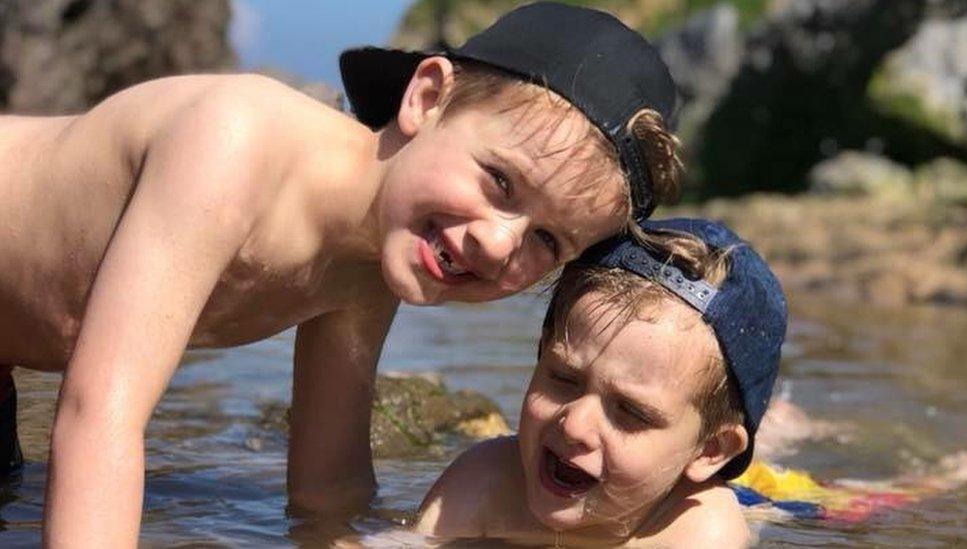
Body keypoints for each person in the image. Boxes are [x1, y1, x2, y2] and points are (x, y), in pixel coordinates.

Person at [0, 2, 684, 545]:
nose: (499, 243)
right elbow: (100, 414)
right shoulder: (233, 144)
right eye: (500, 181)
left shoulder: (376, 261)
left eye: (546, 238)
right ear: (426, 97)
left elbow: (328, 489)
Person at [416, 218, 788, 547]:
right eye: (563, 378)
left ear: (710, 449)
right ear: (541, 353)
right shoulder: (486, 482)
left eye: (631, 412)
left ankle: (784, 425)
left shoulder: (699, 532)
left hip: (762, 498)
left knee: (779, 476)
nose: (574, 425)